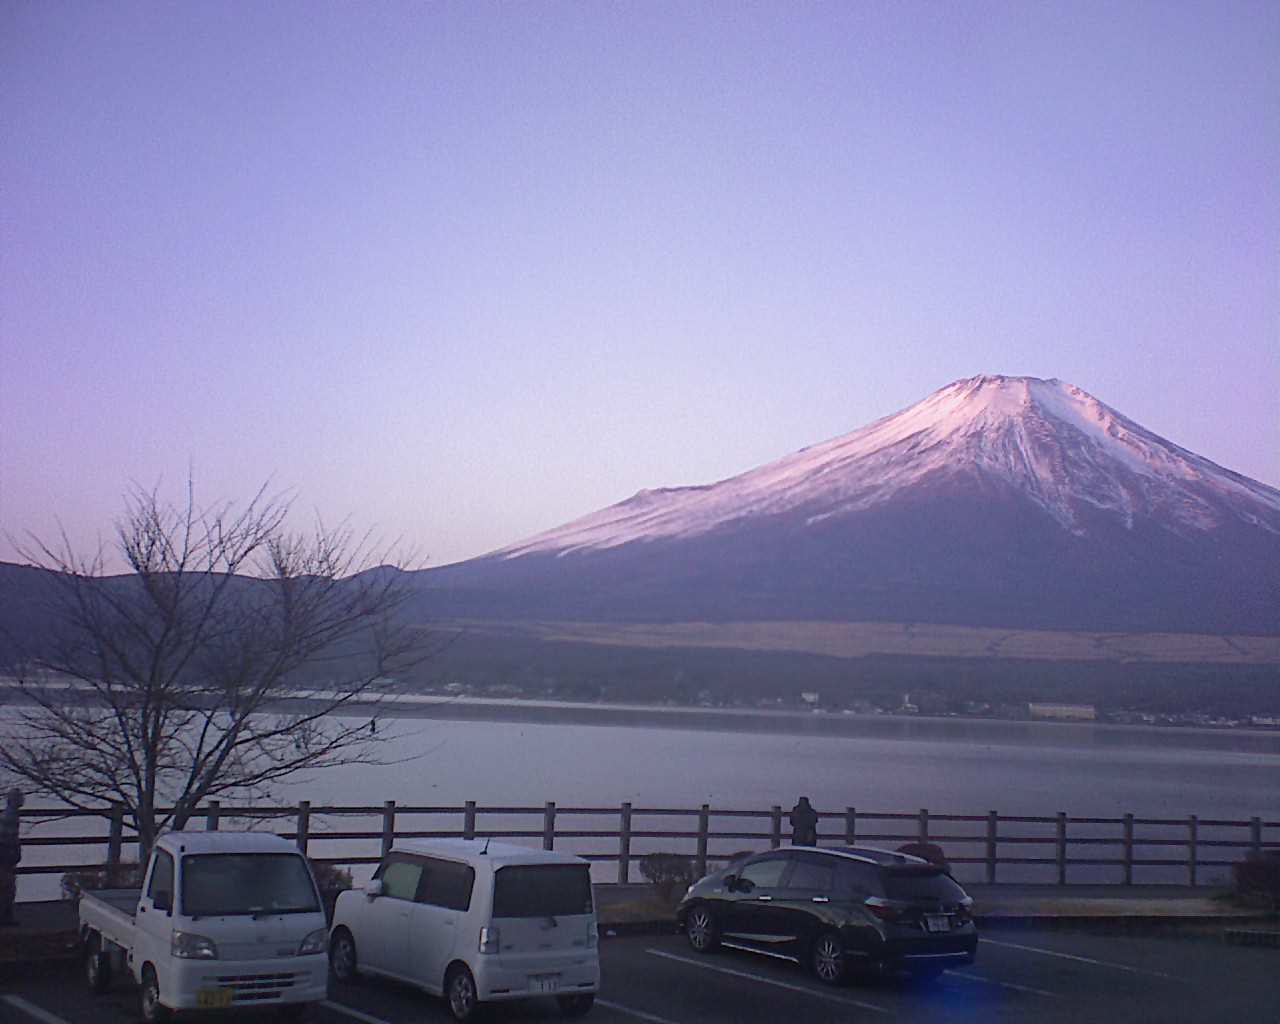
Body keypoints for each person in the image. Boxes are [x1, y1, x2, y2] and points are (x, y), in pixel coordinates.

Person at [0, 788, 23, 926]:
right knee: (7, 887)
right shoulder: (11, 817)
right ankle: (5, 917)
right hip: (5, 855)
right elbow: (8, 839)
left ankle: (6, 916)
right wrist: (14, 853)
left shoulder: (9, 815)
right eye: (20, 797)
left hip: (5, 855)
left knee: (6, 886)